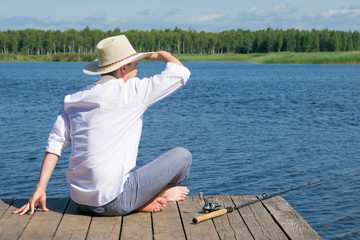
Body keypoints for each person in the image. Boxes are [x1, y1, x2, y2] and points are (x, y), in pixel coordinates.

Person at [13, 35, 192, 216]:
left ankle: (136, 199)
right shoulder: (132, 93)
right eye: (134, 64)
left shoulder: (73, 99)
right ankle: (149, 196)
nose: (138, 68)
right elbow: (181, 73)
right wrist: (163, 55)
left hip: (78, 202)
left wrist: (40, 188)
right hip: (113, 202)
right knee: (183, 156)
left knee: (119, 173)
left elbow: (55, 144)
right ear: (123, 68)